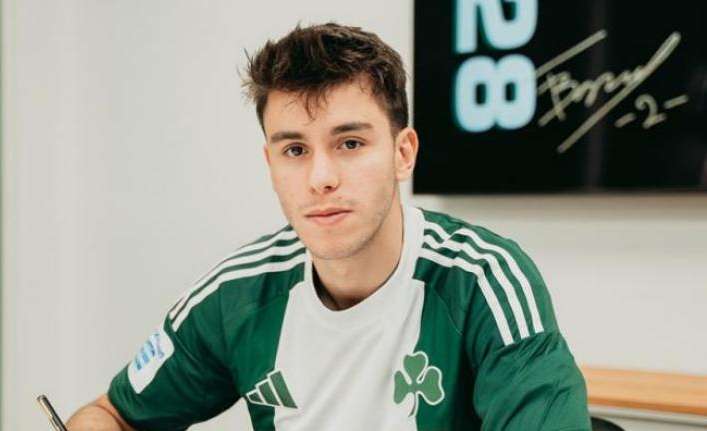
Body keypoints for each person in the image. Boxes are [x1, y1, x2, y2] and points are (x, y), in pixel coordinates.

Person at [67, 23, 590, 430]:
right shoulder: (235, 294)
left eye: (350, 143)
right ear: (271, 165)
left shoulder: (485, 280)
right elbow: (111, 414)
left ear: (403, 153)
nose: (321, 178)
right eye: (295, 150)